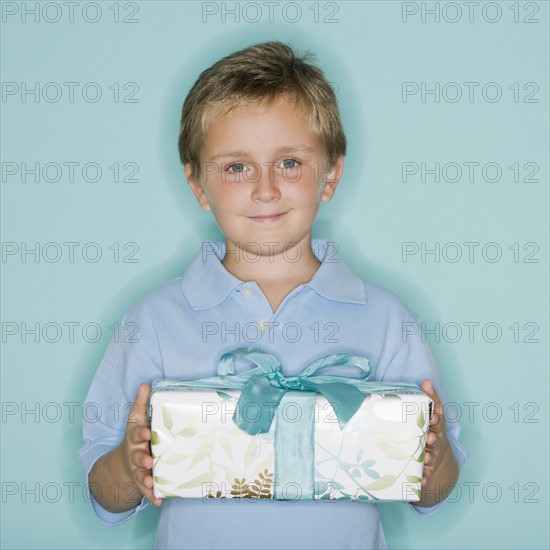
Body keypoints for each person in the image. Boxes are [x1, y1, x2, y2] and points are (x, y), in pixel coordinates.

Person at [79, 41, 467, 549]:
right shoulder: (153, 320)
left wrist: (433, 461)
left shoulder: (387, 319)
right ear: (198, 185)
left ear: (330, 174)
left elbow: (434, 492)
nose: (265, 189)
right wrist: (129, 469)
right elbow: (102, 489)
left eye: (289, 162)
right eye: (236, 167)